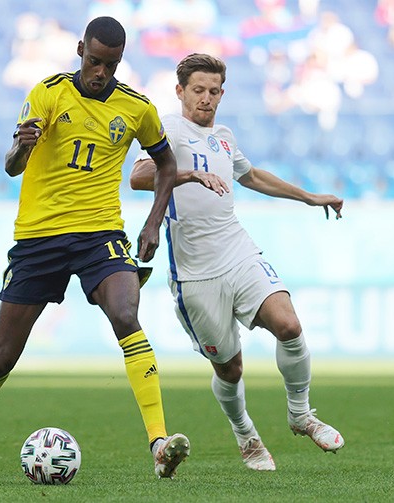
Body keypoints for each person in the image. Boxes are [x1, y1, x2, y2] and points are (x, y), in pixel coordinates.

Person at [0, 16, 190, 479]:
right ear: (80, 49)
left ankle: (159, 443)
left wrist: (153, 222)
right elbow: (12, 167)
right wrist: (22, 147)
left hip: (100, 234)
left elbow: (166, 164)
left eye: (111, 65)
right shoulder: (48, 92)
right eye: (95, 61)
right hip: (39, 237)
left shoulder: (137, 108)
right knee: (2, 357)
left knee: (126, 315)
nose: (101, 72)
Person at [130, 53, 345, 471]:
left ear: (222, 94)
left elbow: (253, 176)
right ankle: (246, 436)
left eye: (214, 91)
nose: (206, 99)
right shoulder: (169, 130)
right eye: (198, 91)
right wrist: (189, 176)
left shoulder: (224, 136)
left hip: (237, 250)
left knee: (289, 323)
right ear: (180, 92)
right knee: (229, 368)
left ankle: (301, 415)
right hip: (194, 274)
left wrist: (310, 197)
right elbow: (139, 176)